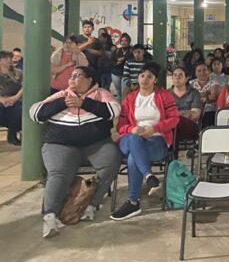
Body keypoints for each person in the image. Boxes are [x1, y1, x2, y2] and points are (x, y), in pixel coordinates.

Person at [30, 66, 121, 237]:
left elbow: (113, 111)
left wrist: (84, 103)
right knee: (58, 173)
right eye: (71, 76)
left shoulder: (100, 93)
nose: (72, 79)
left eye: (78, 75)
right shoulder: (62, 95)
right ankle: (50, 216)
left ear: (90, 80)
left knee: (111, 162)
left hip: (96, 144)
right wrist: (63, 103)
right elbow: (35, 113)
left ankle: (91, 205)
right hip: (60, 143)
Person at [111, 62, 179, 220]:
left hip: (156, 140)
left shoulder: (164, 96)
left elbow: (174, 119)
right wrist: (131, 129)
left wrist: (154, 129)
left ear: (155, 79)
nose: (145, 79)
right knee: (134, 139)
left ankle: (133, 202)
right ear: (138, 78)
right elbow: (120, 126)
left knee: (133, 158)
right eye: (142, 76)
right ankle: (148, 175)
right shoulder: (130, 98)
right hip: (129, 138)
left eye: (149, 76)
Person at [168, 66, 202, 152]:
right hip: (171, 127)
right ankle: (173, 155)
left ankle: (172, 154)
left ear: (186, 78)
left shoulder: (194, 93)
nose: (177, 77)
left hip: (190, 126)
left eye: (180, 75)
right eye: (175, 75)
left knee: (175, 122)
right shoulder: (166, 94)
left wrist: (174, 114)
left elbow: (195, 115)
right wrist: (185, 113)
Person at [0, 50, 23, 145]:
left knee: (19, 110)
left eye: (10, 57)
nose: (9, 60)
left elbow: (25, 86)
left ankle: (12, 136)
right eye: (6, 58)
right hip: (1, 100)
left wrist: (15, 98)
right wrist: (2, 99)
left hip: (15, 100)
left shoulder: (18, 73)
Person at [189, 62, 219, 128]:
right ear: (195, 73)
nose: (202, 73)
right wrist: (207, 93)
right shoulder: (190, 83)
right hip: (193, 109)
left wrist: (196, 96)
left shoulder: (214, 82)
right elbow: (188, 97)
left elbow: (213, 97)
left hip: (209, 110)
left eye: (204, 70)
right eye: (199, 71)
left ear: (208, 71)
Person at [111, 33, 132, 101]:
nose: (124, 42)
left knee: (124, 92)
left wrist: (124, 59)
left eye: (125, 41)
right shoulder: (117, 50)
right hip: (116, 73)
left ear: (129, 41)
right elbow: (111, 61)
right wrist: (117, 63)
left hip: (126, 74)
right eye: (122, 41)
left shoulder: (132, 50)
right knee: (118, 92)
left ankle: (125, 105)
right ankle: (119, 105)